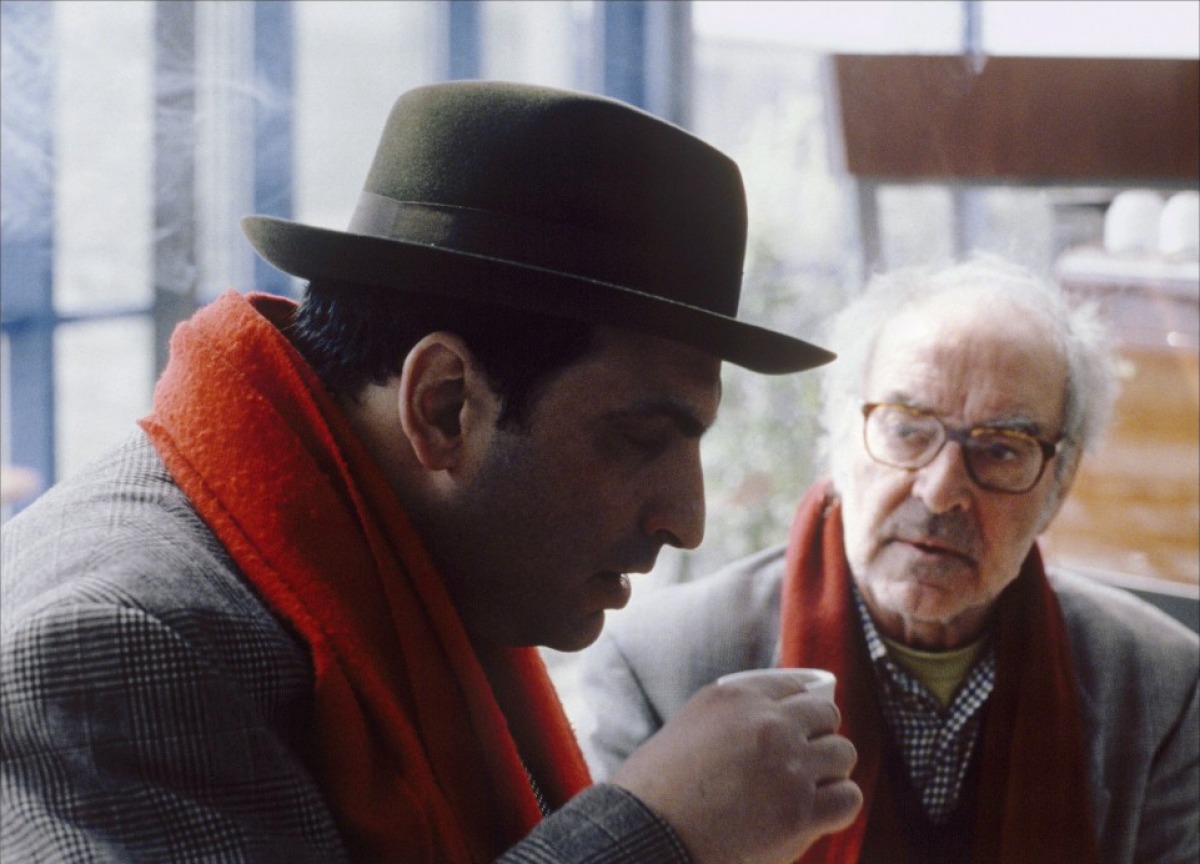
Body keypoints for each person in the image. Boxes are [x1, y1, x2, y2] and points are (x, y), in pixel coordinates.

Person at [0, 81, 863, 863]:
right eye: (640, 438)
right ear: (444, 404)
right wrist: (657, 833)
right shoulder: (117, 648)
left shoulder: (406, 563)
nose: (688, 519)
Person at [580, 255, 1200, 864]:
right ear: (841, 440)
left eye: (1001, 449)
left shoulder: (1163, 688)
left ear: (1059, 485)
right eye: (907, 429)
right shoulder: (660, 669)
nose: (941, 491)